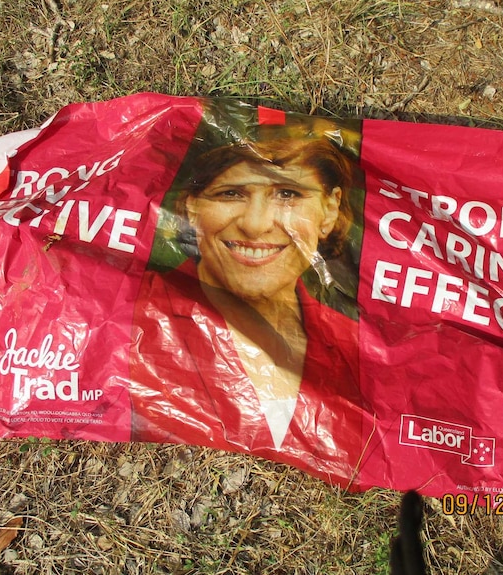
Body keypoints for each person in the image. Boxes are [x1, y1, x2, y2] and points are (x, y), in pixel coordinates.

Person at [128, 125, 369, 488]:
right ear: (192, 208)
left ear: (330, 209)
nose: (256, 225)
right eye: (231, 194)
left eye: (288, 194)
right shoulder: (125, 316)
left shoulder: (358, 350)